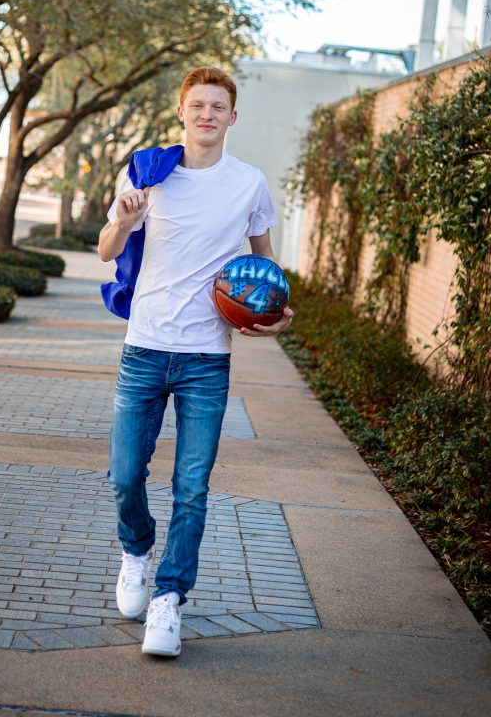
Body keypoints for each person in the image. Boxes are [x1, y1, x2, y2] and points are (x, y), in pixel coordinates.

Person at [98, 66, 293, 657]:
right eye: (198, 105)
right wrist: (123, 218)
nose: (208, 114)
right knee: (125, 475)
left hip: (207, 357)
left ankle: (169, 599)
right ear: (181, 112)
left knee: (191, 487)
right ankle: (136, 550)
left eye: (218, 106)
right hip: (145, 347)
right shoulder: (148, 174)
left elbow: (266, 269)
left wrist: (277, 314)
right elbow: (106, 250)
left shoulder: (249, 184)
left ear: (233, 117)